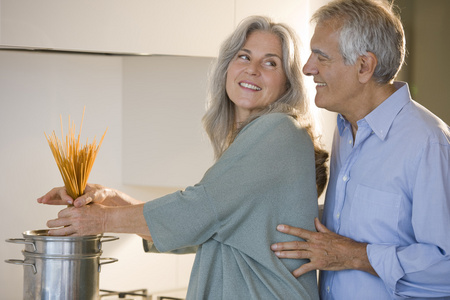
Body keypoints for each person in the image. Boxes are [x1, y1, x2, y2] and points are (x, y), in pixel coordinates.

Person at [37, 16, 329, 299]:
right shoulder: (254, 138)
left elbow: (198, 210)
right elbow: (205, 226)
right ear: (227, 67)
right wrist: (114, 201)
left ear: (287, 84)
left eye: (270, 62)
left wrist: (101, 220)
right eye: (244, 56)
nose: (252, 69)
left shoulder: (278, 129)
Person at [270, 0, 450, 299]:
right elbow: (351, 225)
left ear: (364, 66)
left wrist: (356, 256)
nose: (307, 68)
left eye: (321, 57)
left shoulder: (430, 145)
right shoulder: (345, 129)